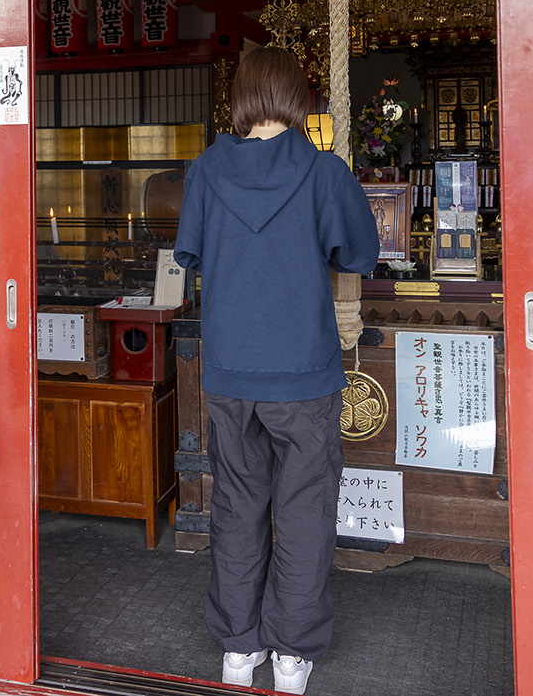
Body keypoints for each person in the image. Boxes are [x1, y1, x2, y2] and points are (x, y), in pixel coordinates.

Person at [173, 46, 379, 694]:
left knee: (235, 500)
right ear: (298, 97)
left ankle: (239, 649)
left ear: (241, 97)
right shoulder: (324, 173)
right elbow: (361, 249)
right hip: (304, 372)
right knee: (304, 506)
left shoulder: (205, 171)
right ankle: (291, 653)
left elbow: (190, 254)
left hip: (230, 369)